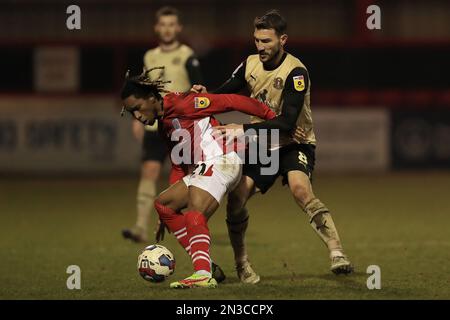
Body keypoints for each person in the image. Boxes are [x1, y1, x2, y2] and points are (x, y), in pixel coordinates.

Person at [192, 10, 354, 283]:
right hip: (262, 144)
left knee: (300, 189)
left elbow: (288, 122)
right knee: (236, 201)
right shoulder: (250, 64)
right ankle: (242, 266)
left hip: (295, 143)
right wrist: (206, 96)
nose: (260, 47)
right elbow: (228, 92)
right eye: (257, 40)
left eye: (266, 41)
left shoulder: (296, 72)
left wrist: (241, 129)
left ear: (283, 40)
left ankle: (337, 252)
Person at [120, 68, 276, 288]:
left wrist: (273, 119)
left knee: (195, 210)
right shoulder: (165, 123)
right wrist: (172, 203)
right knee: (164, 205)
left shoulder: (185, 103)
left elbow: (231, 101)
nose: (137, 116)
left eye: (137, 109)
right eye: (131, 113)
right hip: (205, 167)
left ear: (150, 98)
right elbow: (179, 164)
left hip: (222, 159)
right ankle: (208, 266)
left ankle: (202, 273)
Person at [122, 6, 203, 243]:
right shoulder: (150, 56)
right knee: (149, 170)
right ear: (157, 28)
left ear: (178, 28)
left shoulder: (188, 54)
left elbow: (200, 89)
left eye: (171, 24)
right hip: (154, 126)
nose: (167, 29)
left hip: (180, 126)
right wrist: (137, 119)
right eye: (163, 24)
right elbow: (142, 92)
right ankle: (140, 226)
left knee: (185, 178)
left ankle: (188, 221)